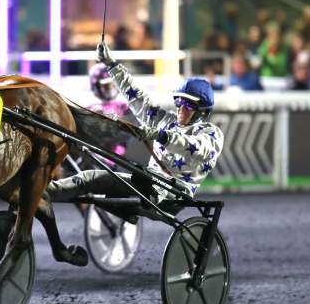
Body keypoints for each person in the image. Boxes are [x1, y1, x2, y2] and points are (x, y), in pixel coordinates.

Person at [46, 44, 224, 204]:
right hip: (147, 181)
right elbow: (138, 98)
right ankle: (45, 192)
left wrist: (161, 135)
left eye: (186, 106)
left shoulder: (211, 134)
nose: (179, 109)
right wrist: (111, 64)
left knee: (140, 175)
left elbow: (195, 147)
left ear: (201, 111)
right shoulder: (167, 121)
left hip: (173, 193)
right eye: (178, 102)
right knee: (90, 176)